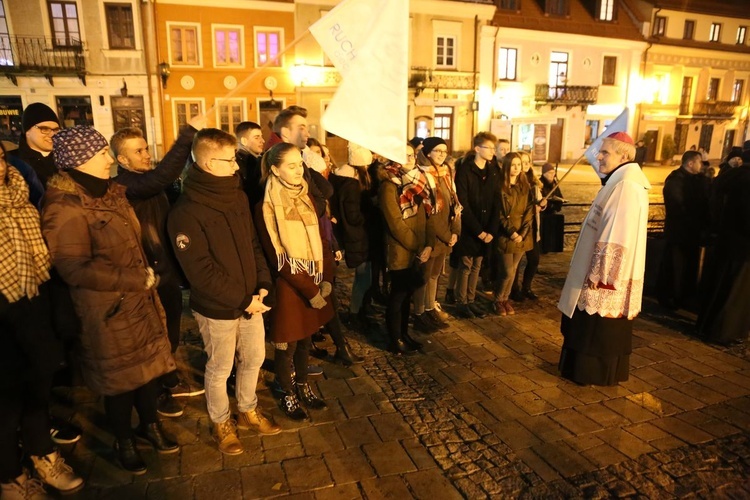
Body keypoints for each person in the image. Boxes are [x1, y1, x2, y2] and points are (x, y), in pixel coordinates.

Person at [42, 126, 178, 474]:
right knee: (120, 381)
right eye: (100, 153)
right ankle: (124, 440)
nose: (108, 159)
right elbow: (73, 268)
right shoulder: (65, 206)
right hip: (108, 311)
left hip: (138, 301)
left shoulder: (112, 193)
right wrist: (135, 279)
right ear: (78, 161)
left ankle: (148, 425)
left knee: (147, 372)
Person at [167, 128, 280, 456]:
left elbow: (253, 243)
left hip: (251, 301)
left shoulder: (238, 195)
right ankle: (220, 421)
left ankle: (247, 409)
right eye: (229, 160)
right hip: (218, 306)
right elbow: (200, 271)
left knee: (255, 357)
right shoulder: (185, 211)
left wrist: (262, 286)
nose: (236, 166)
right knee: (220, 367)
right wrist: (244, 300)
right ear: (207, 162)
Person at [0, 142, 84, 497]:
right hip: (1, 316)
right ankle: (9, 477)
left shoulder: (21, 199)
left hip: (32, 304)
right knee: (5, 405)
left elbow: (41, 259)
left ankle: (43, 455)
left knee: (37, 390)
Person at [111, 115, 206, 421]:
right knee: (156, 335)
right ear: (121, 159)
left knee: (172, 331)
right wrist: (187, 134)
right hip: (147, 274)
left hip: (166, 271)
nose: (146, 154)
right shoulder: (126, 185)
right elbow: (160, 178)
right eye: (138, 151)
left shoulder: (146, 182)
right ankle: (157, 393)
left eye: (145, 148)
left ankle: (167, 378)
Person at [557, 131, 650, 386]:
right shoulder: (619, 181)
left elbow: (616, 234)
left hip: (605, 277)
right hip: (601, 269)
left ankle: (591, 373)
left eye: (605, 152)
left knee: (597, 328)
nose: (598, 157)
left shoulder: (626, 186)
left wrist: (603, 277)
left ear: (624, 155)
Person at [254, 142, 332, 420]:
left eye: (300, 164)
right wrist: (311, 289)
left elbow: (318, 239)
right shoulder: (266, 206)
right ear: (275, 170)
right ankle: (286, 390)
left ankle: (302, 385)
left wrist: (322, 280)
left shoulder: (305, 196)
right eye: (291, 165)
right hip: (289, 286)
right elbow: (279, 257)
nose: (299, 170)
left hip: (310, 280)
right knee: (286, 345)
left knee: (305, 341)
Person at [379, 143, 429, 354]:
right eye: (404, 155)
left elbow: (425, 217)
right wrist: (416, 246)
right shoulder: (389, 185)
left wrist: (427, 244)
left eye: (412, 154)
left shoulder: (415, 182)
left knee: (408, 294)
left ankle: (404, 333)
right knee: (398, 296)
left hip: (416, 248)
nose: (410, 158)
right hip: (400, 250)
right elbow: (395, 223)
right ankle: (395, 338)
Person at [697, 151, 750, 345]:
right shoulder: (746, 180)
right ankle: (724, 331)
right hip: (743, 246)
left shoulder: (729, 175)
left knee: (718, 286)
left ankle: (706, 325)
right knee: (734, 292)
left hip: (723, 239)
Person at [413, 137, 461, 332]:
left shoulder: (446, 173)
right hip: (431, 235)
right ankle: (419, 312)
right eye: (437, 151)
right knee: (422, 277)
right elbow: (429, 213)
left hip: (446, 234)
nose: (442, 154)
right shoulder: (423, 175)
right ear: (428, 152)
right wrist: (446, 234)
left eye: (444, 151)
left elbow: (454, 203)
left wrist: (456, 231)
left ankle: (430, 306)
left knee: (434, 275)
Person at [452, 132, 500, 319]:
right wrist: (478, 232)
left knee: (477, 265)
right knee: (466, 265)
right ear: (477, 149)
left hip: (486, 227)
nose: (493, 152)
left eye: (494, 148)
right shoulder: (465, 171)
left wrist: (491, 230)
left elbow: (496, 201)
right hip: (469, 228)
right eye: (489, 148)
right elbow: (463, 204)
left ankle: (471, 300)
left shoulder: (493, 171)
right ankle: (461, 302)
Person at [329, 143, 375, 329]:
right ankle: (355, 313)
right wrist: (371, 212)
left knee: (364, 276)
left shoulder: (340, 178)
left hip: (351, 234)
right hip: (356, 235)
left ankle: (359, 310)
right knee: (363, 277)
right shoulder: (351, 185)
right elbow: (353, 215)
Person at [657, 150, 710, 311]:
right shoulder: (675, 180)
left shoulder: (694, 180)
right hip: (679, 233)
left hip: (691, 233)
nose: (701, 166)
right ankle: (671, 297)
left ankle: (684, 297)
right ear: (690, 163)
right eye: (699, 162)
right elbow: (678, 206)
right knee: (675, 267)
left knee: (689, 267)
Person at [493, 153, 533, 316]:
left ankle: (505, 299)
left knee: (515, 268)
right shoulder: (500, 186)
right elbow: (499, 213)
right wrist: (511, 232)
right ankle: (498, 299)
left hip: (522, 232)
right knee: (507, 270)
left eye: (519, 165)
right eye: (514, 165)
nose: (517, 168)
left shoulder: (525, 186)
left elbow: (530, 210)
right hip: (506, 233)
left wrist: (523, 232)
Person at [511, 151, 546, 302]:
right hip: (520, 228)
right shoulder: (515, 182)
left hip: (533, 228)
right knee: (515, 263)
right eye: (521, 162)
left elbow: (538, 203)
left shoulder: (534, 183)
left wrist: (543, 205)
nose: (524, 165)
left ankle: (527, 287)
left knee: (534, 260)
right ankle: (514, 289)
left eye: (527, 162)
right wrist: (533, 209)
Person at [17, 103, 61, 187]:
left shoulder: (67, 159)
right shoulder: (11, 162)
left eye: (56, 130)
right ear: (27, 131)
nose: (52, 134)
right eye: (44, 129)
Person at [235, 121, 265, 210]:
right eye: (256, 138)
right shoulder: (242, 165)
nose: (262, 141)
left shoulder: (255, 161)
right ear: (244, 141)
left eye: (261, 136)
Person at [539, 162, 565, 253]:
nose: (552, 175)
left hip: (552, 212)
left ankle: (551, 247)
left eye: (553, 173)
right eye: (549, 173)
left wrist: (558, 202)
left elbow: (559, 196)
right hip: (543, 214)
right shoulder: (540, 183)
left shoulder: (555, 184)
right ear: (544, 174)